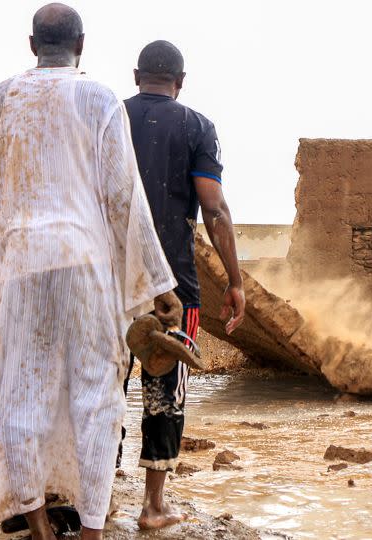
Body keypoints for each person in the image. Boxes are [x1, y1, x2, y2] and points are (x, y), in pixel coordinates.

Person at [0, 5, 181, 538]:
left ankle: (40, 529)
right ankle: (93, 530)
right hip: (85, 266)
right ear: (82, 45)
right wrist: (160, 284)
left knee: (20, 402)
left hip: (18, 268)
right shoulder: (99, 98)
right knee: (96, 400)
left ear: (32, 45)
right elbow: (124, 196)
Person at [122, 39, 246, 530]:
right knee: (165, 389)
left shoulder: (108, 118)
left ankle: (96, 498)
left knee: (102, 386)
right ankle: (154, 506)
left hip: (108, 284)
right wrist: (235, 282)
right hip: (173, 287)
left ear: (136, 77)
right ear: (181, 82)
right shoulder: (197, 127)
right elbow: (213, 209)